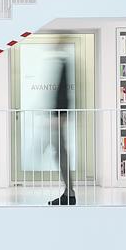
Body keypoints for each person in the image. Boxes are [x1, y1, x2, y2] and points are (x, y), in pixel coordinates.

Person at [49, 58, 75, 206]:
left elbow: (63, 94)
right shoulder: (59, 63)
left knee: (61, 154)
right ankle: (69, 193)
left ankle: (69, 194)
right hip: (56, 119)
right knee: (59, 154)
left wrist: (61, 117)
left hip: (58, 119)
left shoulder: (62, 63)